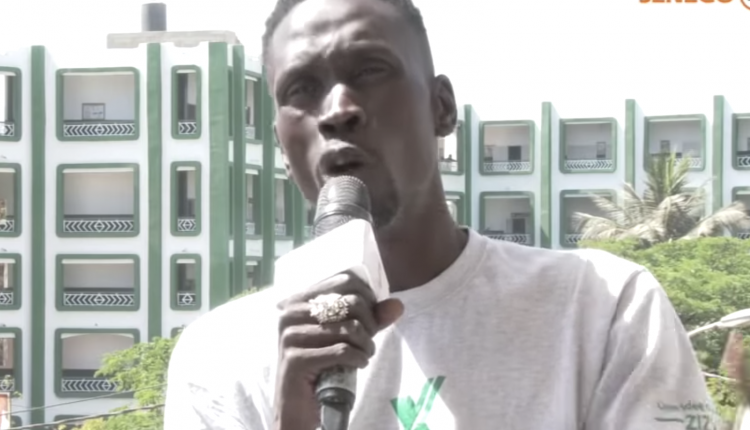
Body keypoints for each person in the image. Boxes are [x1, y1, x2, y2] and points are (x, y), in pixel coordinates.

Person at [163, 0, 719, 428]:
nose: (337, 110)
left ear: (442, 108)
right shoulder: (218, 359)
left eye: (370, 70)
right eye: (301, 89)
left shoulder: (604, 307)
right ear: (282, 147)